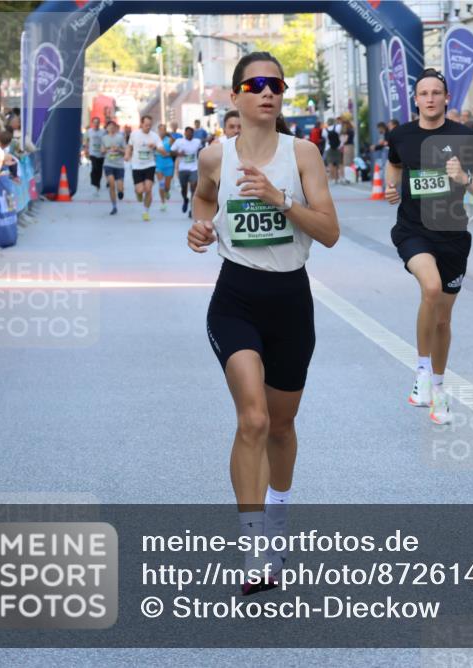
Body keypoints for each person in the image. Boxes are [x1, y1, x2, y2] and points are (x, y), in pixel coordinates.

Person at [186, 52, 340, 595]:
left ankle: (277, 511)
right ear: (235, 97)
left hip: (290, 302)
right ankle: (253, 546)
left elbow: (329, 231)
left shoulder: (303, 154)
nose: (266, 92)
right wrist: (200, 230)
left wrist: (280, 200)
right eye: (254, 84)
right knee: (251, 419)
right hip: (236, 300)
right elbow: (203, 202)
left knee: (280, 424)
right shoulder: (213, 157)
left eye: (275, 83)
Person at [384, 68, 473, 425]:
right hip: (413, 231)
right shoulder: (401, 135)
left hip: (453, 235)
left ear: (446, 98)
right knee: (430, 287)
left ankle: (439, 389)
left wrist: (463, 178)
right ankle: (421, 372)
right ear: (415, 99)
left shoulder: (464, 136)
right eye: (423, 93)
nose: (429, 98)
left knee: (443, 319)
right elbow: (394, 165)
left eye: (436, 93)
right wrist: (391, 187)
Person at [124, 115, 167, 221]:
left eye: (150, 125)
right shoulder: (134, 134)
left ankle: (146, 212)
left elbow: (164, 152)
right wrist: (127, 154)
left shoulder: (155, 136)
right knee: (140, 190)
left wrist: (156, 147)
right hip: (136, 166)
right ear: (141, 124)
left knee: (148, 189)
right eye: (146, 125)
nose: (148, 127)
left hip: (150, 165)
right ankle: (138, 194)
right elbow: (129, 146)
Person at [172, 125, 202, 215]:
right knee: (184, 188)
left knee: (194, 186)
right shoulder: (179, 142)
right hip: (183, 169)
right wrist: (178, 153)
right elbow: (171, 152)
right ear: (185, 133)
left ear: (193, 134)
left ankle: (192, 209)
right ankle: (185, 199)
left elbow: (201, 149)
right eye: (188, 133)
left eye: (191, 133)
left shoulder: (197, 141)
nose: (189, 135)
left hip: (194, 168)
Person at [100, 120, 126, 215]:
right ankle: (114, 206)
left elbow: (125, 151)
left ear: (115, 127)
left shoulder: (120, 137)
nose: (111, 127)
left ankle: (120, 192)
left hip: (119, 165)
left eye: (113, 126)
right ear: (106, 128)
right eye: (109, 126)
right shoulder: (104, 138)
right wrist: (103, 150)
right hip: (108, 164)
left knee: (120, 188)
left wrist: (118, 149)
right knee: (111, 184)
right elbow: (102, 150)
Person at [155, 123, 176, 212]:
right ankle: (163, 203)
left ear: (165, 130)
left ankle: (167, 191)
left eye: (163, 129)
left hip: (168, 164)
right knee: (161, 184)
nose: (161, 131)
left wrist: (168, 154)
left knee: (167, 186)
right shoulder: (155, 140)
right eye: (160, 130)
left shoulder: (170, 140)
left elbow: (175, 151)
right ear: (158, 130)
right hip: (159, 164)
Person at [82, 116, 105, 195]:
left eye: (97, 122)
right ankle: (94, 183)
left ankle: (98, 183)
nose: (96, 124)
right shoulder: (89, 131)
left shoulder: (103, 132)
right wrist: (86, 150)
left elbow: (106, 141)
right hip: (92, 153)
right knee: (94, 168)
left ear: (99, 123)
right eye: (95, 122)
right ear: (92, 123)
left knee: (99, 169)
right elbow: (85, 141)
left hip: (101, 154)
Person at [324, 117, 342, 183]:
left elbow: (324, 138)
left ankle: (332, 178)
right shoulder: (337, 127)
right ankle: (339, 178)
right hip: (337, 147)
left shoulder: (325, 130)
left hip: (328, 148)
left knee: (330, 163)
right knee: (339, 163)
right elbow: (341, 126)